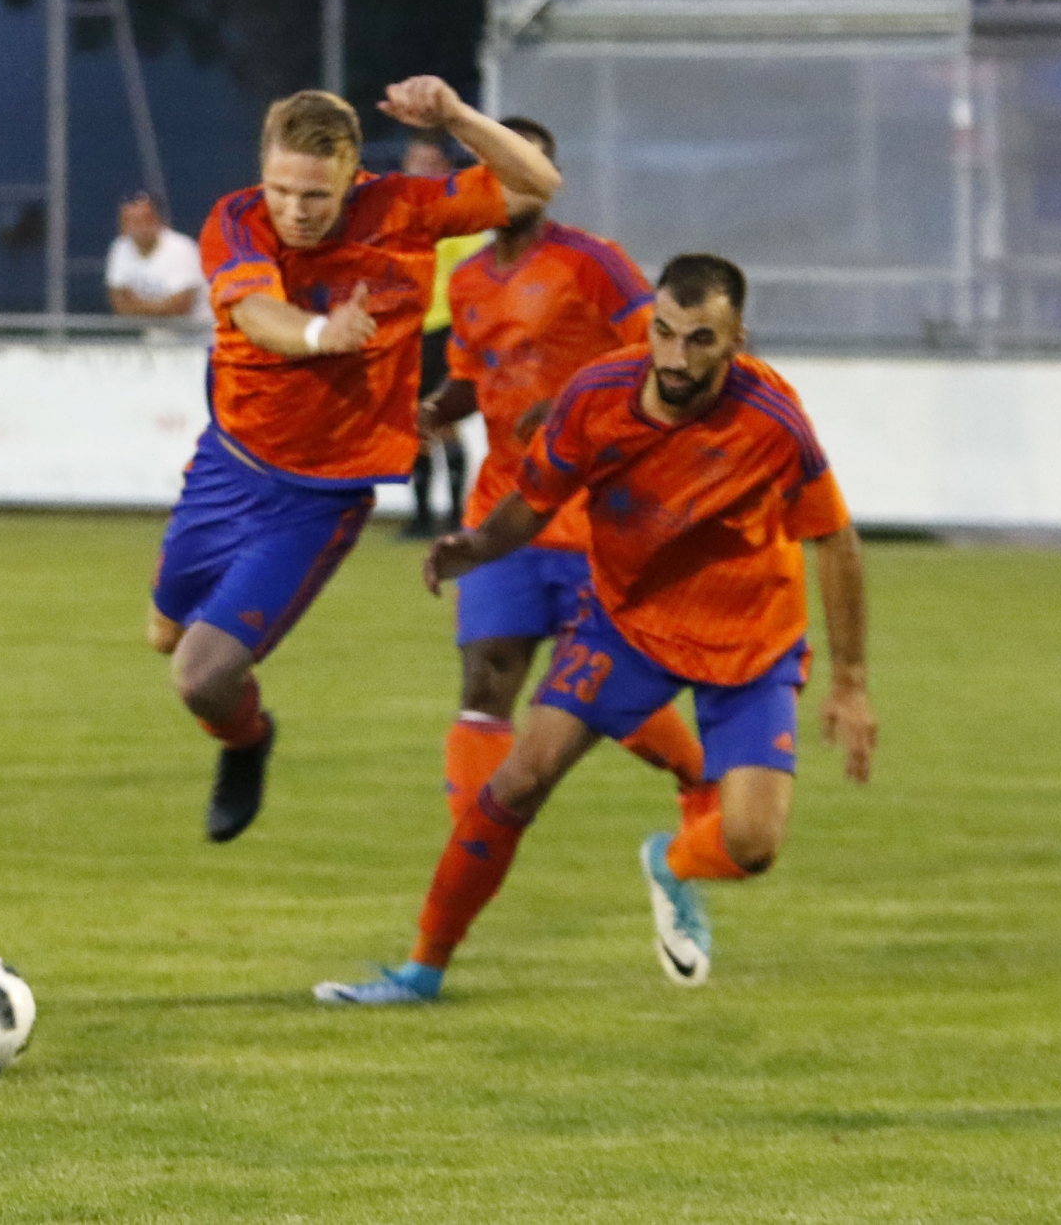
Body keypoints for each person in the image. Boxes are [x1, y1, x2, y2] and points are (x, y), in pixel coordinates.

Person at [315, 255, 876, 1004]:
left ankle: (672, 865)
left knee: (752, 845)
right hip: (629, 625)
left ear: (738, 336)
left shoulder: (771, 418)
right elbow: (537, 497)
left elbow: (835, 538)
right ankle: (421, 968)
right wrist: (477, 544)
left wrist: (849, 681)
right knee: (517, 780)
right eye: (665, 334)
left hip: (749, 638)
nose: (675, 358)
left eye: (700, 340)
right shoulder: (599, 394)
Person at [150, 77, 561, 843]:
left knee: (200, 676)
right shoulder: (236, 222)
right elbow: (256, 313)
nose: (296, 210)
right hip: (229, 462)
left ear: (351, 178)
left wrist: (458, 117)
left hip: (319, 494)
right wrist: (316, 334)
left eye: (316, 194)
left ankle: (248, 741)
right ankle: (239, 725)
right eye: (281, 189)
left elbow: (537, 182)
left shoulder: (401, 208)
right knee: (165, 635)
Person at [422, 116, 707, 832]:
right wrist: (428, 410)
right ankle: (476, 845)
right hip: (502, 515)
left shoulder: (593, 263)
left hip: (595, 518)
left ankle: (698, 778)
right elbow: (471, 378)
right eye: (504, 166)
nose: (519, 180)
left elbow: (663, 356)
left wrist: (578, 399)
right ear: (481, 176)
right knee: (486, 678)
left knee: (608, 695)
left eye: (534, 167)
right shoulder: (465, 282)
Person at [399, 133, 487, 539]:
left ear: (444, 169)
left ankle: (452, 514)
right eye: (414, 161)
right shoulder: (398, 214)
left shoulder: (457, 216)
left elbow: (472, 275)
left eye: (429, 162)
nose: (420, 170)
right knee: (415, 421)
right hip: (410, 329)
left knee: (439, 417)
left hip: (444, 328)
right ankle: (421, 516)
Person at [105, 192, 208, 323]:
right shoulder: (120, 248)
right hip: (154, 334)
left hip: (196, 335)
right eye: (130, 221)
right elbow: (119, 304)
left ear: (158, 220)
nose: (139, 227)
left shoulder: (182, 248)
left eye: (145, 219)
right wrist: (161, 306)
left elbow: (181, 307)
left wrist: (137, 306)